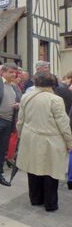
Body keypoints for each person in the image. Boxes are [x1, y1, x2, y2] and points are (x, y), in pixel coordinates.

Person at [16, 72, 72, 211]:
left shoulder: (26, 96)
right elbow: (64, 124)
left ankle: (35, 199)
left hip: (30, 138)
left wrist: (20, 135)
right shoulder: (55, 99)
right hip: (51, 140)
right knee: (50, 171)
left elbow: (20, 120)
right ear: (53, 84)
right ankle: (50, 204)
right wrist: (69, 142)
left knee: (33, 169)